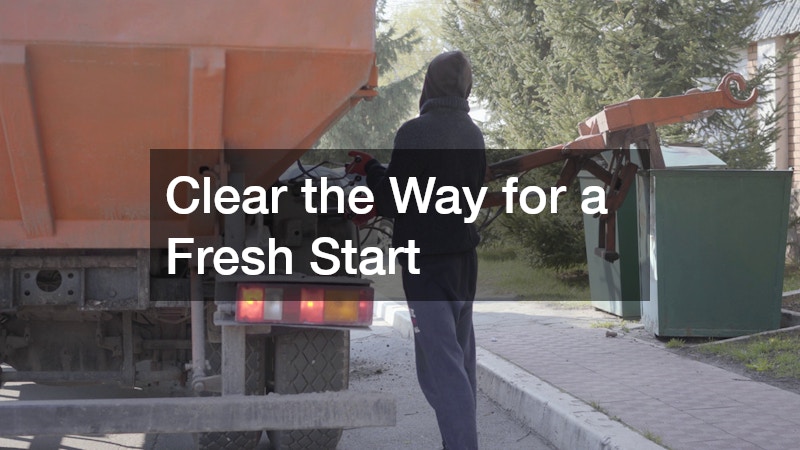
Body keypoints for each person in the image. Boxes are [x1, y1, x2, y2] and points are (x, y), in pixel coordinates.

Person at [348, 50, 486, 450]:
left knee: (440, 366)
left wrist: (371, 169)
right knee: (460, 358)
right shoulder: (473, 133)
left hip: (425, 263)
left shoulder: (414, 132)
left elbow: (392, 200)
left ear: (429, 85)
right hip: (464, 260)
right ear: (465, 87)